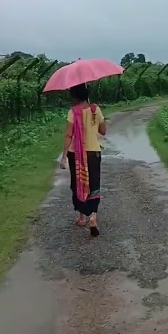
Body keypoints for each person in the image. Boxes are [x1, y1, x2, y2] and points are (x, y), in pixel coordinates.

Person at [59, 83, 106, 236]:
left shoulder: (73, 112)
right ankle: (93, 216)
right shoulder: (95, 109)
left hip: (76, 154)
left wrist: (64, 156)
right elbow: (103, 131)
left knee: (79, 182)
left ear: (75, 96)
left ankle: (81, 217)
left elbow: (68, 135)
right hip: (93, 152)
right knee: (93, 183)